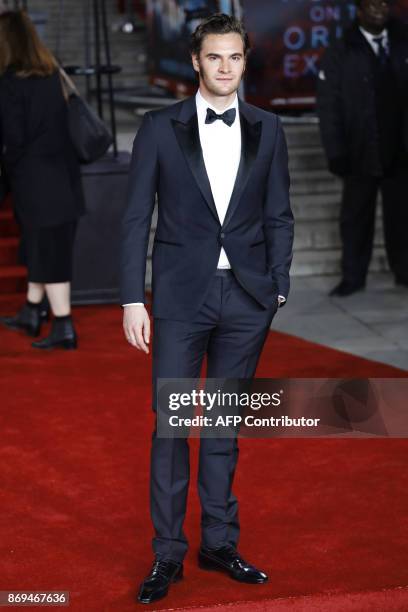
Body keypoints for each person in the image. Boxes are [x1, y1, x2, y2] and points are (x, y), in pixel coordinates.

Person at [121, 14, 294, 605]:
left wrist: (278, 288)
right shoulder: (159, 128)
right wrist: (130, 298)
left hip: (247, 299)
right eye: (214, 57)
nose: (225, 68)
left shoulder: (269, 128)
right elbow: (134, 218)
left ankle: (219, 542)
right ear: (196, 61)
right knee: (172, 426)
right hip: (178, 299)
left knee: (223, 426)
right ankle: (167, 554)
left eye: (235, 58)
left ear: (246, 62)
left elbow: (279, 214)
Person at [0, 10, 84, 348]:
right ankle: (32, 311)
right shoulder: (52, 75)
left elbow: (14, 140)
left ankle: (64, 326)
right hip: (65, 175)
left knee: (48, 254)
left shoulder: (9, 83)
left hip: (35, 182)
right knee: (43, 247)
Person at [317, 0, 408, 297]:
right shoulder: (341, 51)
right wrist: (336, 152)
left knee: (402, 218)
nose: (380, 9)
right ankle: (353, 277)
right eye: (373, 4)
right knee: (355, 219)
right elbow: (329, 107)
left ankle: (404, 272)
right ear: (360, 11)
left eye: (384, 3)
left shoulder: (403, 42)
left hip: (400, 151)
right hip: (359, 152)